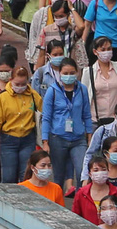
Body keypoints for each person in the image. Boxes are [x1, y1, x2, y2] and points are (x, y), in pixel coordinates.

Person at [40, 57, 96, 190]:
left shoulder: (82, 90)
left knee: (82, 171)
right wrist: (45, 141)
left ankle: (79, 203)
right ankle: (57, 205)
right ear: (60, 73)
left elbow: (87, 115)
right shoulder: (52, 91)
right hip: (58, 138)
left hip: (78, 138)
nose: (69, 76)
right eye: (65, 73)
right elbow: (46, 117)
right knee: (58, 176)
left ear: (77, 72)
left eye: (72, 73)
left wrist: (89, 136)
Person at [0, 63, 42, 184]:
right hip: (8, 140)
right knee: (8, 177)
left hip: (28, 139)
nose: (20, 87)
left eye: (23, 84)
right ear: (11, 80)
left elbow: (44, 115)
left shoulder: (33, 96)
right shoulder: (2, 97)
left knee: (26, 176)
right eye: (17, 84)